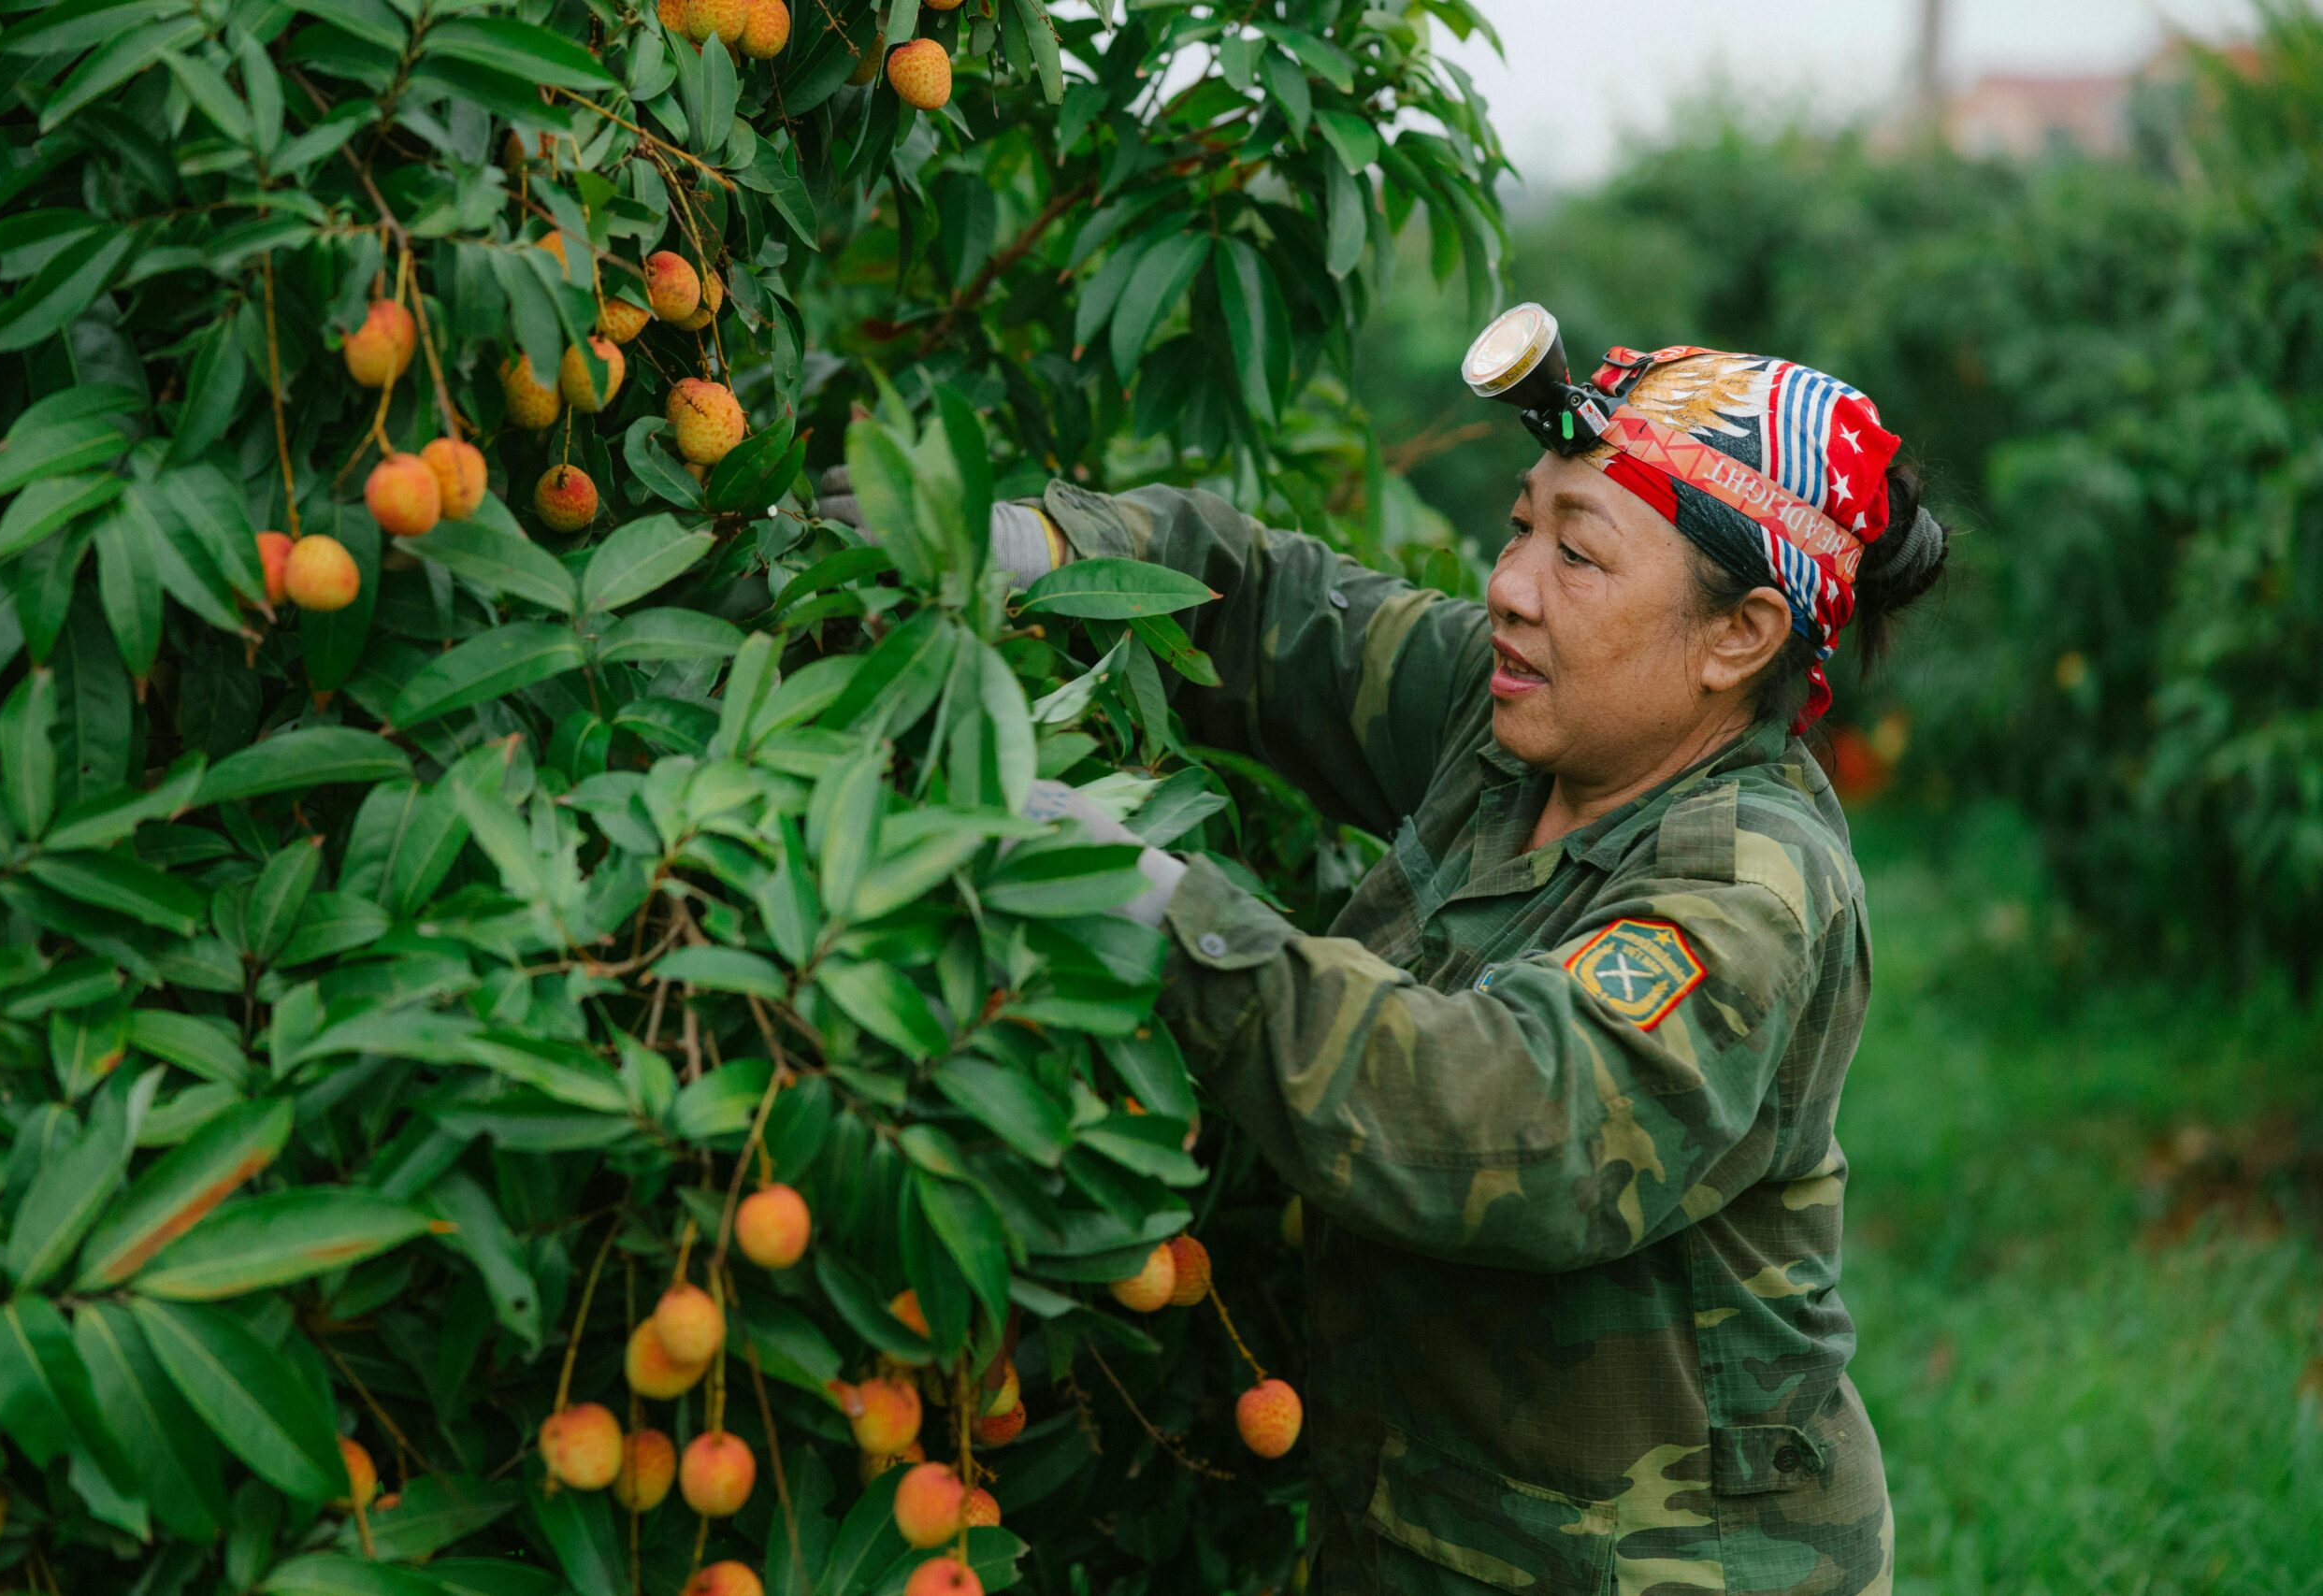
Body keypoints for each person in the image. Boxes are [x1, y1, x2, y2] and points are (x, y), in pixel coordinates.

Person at [825, 330, 1944, 1595]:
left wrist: (1147, 903)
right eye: (1522, 528)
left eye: (1578, 555)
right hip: (1412, 1536)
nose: (1512, 585)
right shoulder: (1516, 719)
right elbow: (1265, 611)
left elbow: (1506, 1116)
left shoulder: (1752, 886)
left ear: (1738, 637)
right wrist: (1045, 548)